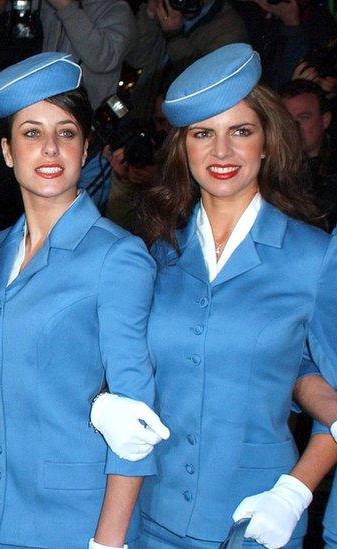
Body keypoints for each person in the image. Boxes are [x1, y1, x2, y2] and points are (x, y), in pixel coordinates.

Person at [107, 43, 337, 548]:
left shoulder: (315, 258)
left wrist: (296, 492)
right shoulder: (157, 253)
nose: (222, 153)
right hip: (151, 513)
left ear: (267, 142)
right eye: (203, 134)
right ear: (182, 147)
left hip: (257, 519)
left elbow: (328, 392)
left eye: (240, 131)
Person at [0, 51, 162, 549]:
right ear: (9, 151)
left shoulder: (117, 258)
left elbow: (137, 416)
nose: (51, 148)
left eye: (66, 132)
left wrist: (108, 542)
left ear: (85, 150)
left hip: (74, 522)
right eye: (32, 133)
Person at [281, 78, 337, 230]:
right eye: (288, 120)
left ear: (325, 120)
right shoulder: (269, 168)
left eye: (304, 117)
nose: (294, 127)